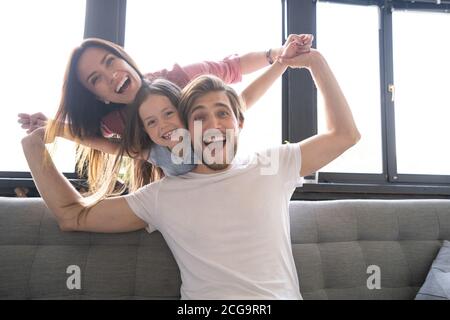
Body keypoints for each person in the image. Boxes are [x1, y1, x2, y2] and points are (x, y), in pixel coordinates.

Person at [21, 48, 361, 299]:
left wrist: (310, 61)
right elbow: (72, 216)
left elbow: (344, 135)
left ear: (239, 121)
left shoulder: (270, 166)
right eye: (200, 116)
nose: (212, 124)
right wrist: (37, 144)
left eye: (222, 114)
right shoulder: (161, 194)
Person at [18, 36, 313, 193]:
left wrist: (279, 57)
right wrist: (54, 126)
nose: (110, 76)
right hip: (183, 189)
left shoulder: (180, 82)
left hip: (224, 174)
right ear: (99, 97)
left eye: (111, 62)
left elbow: (234, 75)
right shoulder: (131, 136)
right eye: (96, 79)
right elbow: (99, 141)